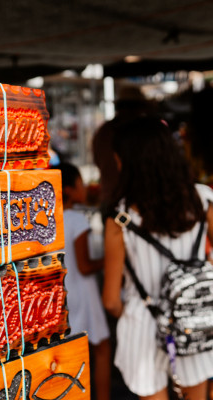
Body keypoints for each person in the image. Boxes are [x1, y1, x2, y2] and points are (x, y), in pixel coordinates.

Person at [102, 116, 213, 400]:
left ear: (128, 163)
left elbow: (111, 301)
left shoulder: (120, 219)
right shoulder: (203, 201)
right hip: (194, 321)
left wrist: (127, 310)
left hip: (142, 327)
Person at [56, 162, 111, 400]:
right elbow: (85, 265)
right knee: (101, 348)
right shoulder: (77, 220)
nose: (85, 188)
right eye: (80, 183)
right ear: (68, 189)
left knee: (71, 353)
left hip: (65, 293)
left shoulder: (53, 219)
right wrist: (110, 259)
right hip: (84, 293)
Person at [92, 85, 150, 220]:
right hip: (131, 200)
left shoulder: (104, 131)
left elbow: (98, 160)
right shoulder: (135, 131)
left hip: (111, 197)